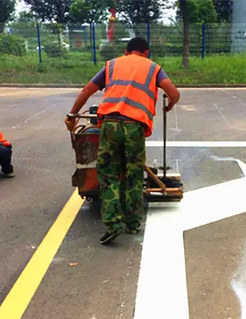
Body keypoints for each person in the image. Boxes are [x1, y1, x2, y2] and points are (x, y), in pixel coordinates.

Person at [66, 37, 180, 244]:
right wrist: (170, 104)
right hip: (135, 126)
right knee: (133, 174)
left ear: (126, 52)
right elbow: (174, 92)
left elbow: (86, 91)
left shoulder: (112, 65)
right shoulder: (153, 67)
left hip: (109, 124)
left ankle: (113, 224)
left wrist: (71, 116)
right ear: (146, 52)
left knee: (108, 174)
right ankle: (132, 223)